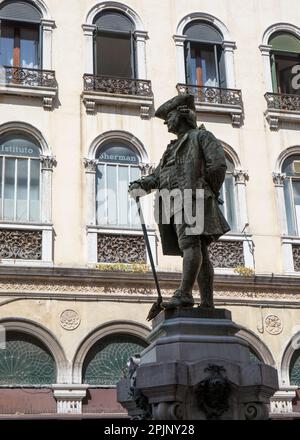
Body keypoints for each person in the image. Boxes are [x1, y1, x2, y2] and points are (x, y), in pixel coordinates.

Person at [129, 94, 230, 309]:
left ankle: (185, 293)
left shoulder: (201, 137)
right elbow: (157, 176)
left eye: (169, 117)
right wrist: (141, 184)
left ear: (182, 114)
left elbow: (218, 166)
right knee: (199, 249)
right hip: (172, 202)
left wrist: (204, 190)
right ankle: (207, 303)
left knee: (191, 244)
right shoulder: (170, 149)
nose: (166, 123)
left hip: (192, 199)